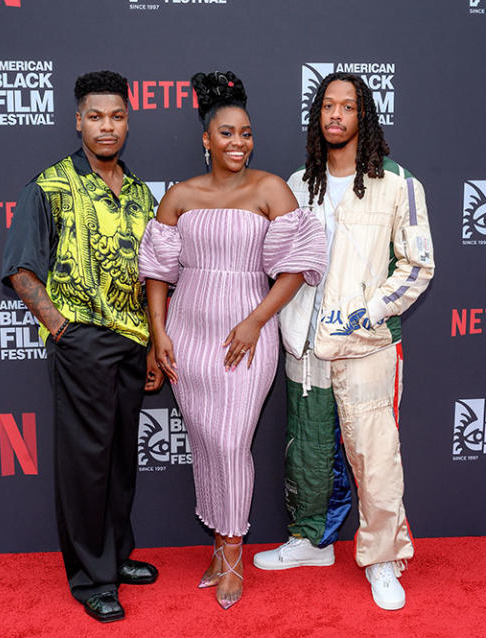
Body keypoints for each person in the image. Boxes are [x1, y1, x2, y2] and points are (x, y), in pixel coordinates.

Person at [139, 71, 326, 610]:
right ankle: (219, 546)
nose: (238, 143)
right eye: (226, 133)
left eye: (245, 133)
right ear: (206, 138)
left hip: (247, 335)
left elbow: (296, 267)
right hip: (189, 335)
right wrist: (159, 334)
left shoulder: (271, 189)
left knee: (230, 442)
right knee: (205, 442)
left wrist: (255, 320)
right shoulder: (179, 196)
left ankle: (233, 552)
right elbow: (157, 272)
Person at [252, 72, 435, 611]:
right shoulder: (296, 182)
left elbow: (418, 264)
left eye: (347, 107)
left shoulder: (399, 182)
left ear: (364, 116)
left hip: (367, 344)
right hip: (303, 345)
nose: (336, 115)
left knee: (374, 457)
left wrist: (367, 312)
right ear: (318, 117)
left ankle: (383, 558)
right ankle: (311, 541)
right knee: (306, 452)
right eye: (327, 106)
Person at [0, 70, 164, 624]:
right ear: (78, 120)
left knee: (120, 459)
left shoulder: (141, 192)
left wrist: (147, 345)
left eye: (117, 115)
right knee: (85, 463)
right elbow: (22, 272)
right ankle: (91, 577)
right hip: (82, 341)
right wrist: (63, 330)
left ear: (128, 118)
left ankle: (116, 557)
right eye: (95, 116)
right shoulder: (49, 185)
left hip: (132, 341)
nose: (107, 126)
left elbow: (152, 276)